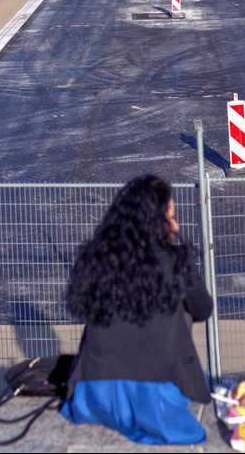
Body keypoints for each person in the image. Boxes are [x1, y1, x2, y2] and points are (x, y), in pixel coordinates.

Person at [61, 175, 212, 445]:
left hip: (93, 391)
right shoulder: (177, 260)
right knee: (182, 308)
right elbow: (203, 310)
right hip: (156, 396)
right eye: (171, 217)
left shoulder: (94, 257)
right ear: (155, 221)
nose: (176, 227)